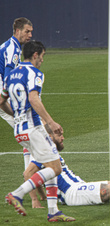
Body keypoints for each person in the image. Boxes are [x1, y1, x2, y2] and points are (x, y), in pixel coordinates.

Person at [0, 41, 75, 222]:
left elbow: (1, 101)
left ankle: (53, 211)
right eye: (42, 56)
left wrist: (17, 115)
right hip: (33, 128)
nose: (42, 60)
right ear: (36, 55)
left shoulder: (10, 76)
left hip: (19, 130)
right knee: (55, 167)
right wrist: (51, 122)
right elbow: (33, 98)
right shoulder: (34, 73)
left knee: (50, 162)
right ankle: (17, 194)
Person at [0, 17, 33, 169]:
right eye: (27, 31)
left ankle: (30, 174)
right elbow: (8, 77)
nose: (30, 35)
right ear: (17, 31)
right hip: (2, 98)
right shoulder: (12, 49)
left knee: (27, 131)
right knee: (28, 131)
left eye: (31, 32)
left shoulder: (13, 46)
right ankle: (30, 175)